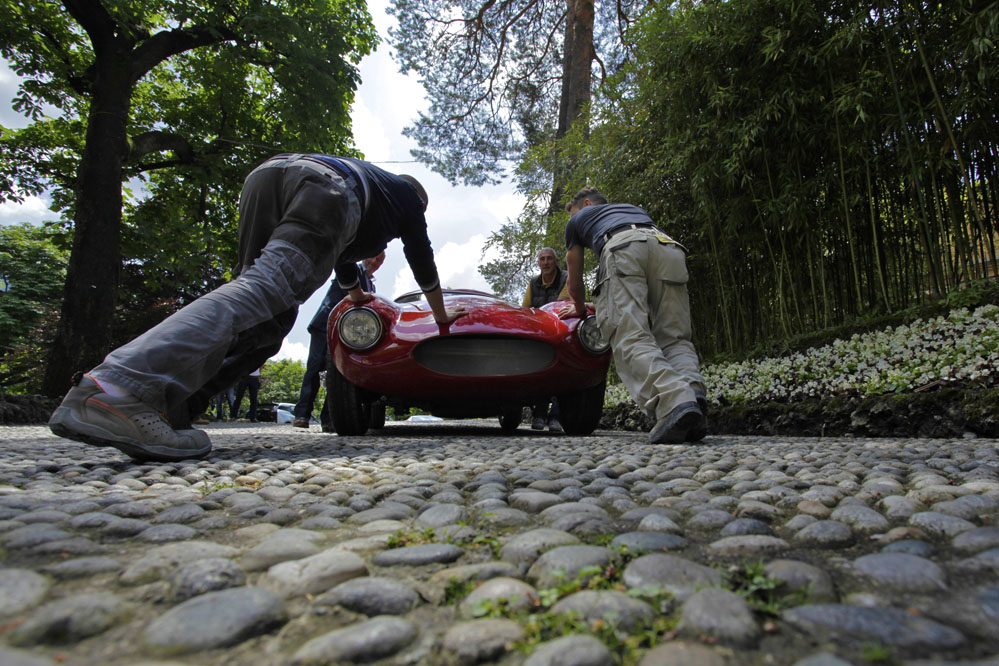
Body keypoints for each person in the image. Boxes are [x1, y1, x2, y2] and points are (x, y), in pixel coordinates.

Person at [48, 153, 466, 461]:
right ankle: (119, 389)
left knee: (268, 323)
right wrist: (441, 316)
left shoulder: (375, 190)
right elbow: (422, 258)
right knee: (263, 290)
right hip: (327, 190)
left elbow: (341, 259)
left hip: (271, 177)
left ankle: (173, 408)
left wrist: (358, 297)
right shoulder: (406, 196)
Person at [559, 186, 708, 444]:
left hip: (623, 247)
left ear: (586, 204)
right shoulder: (632, 209)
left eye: (573, 212)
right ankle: (693, 393)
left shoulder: (578, 219)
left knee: (629, 333)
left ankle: (674, 401)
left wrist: (580, 308)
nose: (572, 219)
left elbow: (574, 281)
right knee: (674, 336)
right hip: (668, 246)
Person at [292, 251, 384, 430]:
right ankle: (302, 414)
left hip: (346, 332)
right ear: (366, 255)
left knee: (340, 373)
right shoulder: (352, 270)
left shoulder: (372, 286)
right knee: (314, 368)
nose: (374, 261)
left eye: (379, 260)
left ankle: (328, 419)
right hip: (325, 325)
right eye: (373, 256)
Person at [522, 247, 569, 432]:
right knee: (540, 373)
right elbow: (525, 309)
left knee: (560, 375)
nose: (546, 262)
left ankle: (556, 416)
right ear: (538, 263)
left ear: (556, 261)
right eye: (542, 259)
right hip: (539, 334)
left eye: (549, 259)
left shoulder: (567, 278)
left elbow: (562, 304)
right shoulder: (533, 283)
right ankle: (539, 414)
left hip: (561, 331)